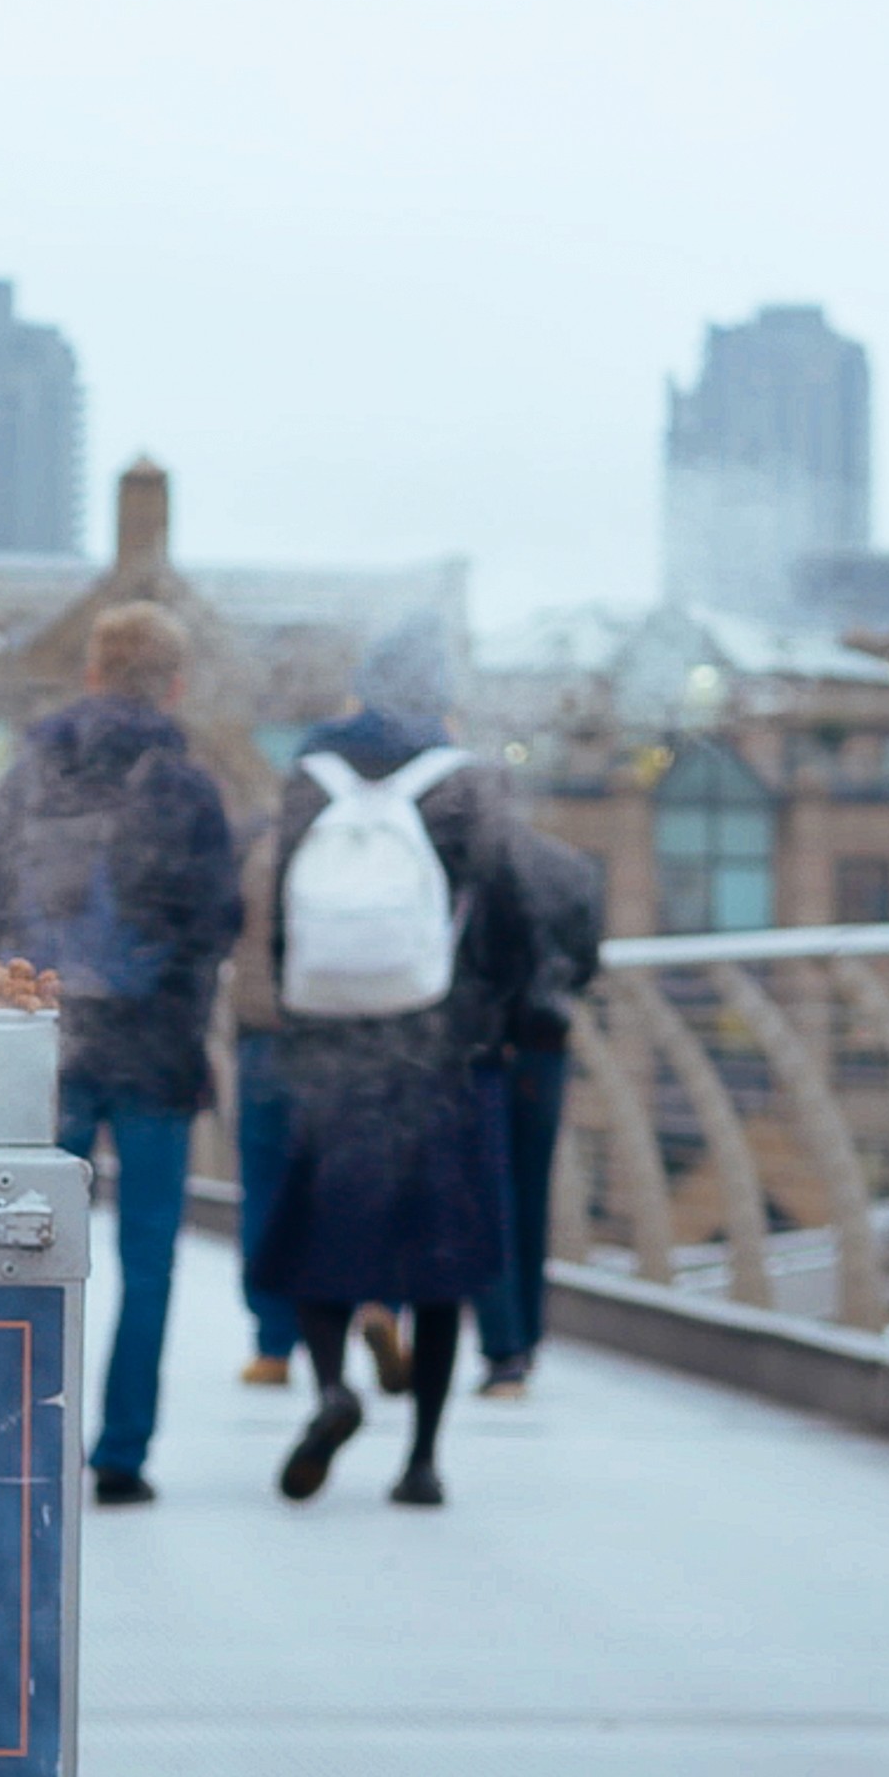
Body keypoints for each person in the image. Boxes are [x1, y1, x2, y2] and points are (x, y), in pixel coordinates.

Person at [242, 618, 526, 1508]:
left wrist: (297, 1013)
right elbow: (507, 916)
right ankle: (423, 1460)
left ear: (363, 689)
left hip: (329, 1045)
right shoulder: (465, 782)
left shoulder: (310, 777)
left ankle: (332, 1389)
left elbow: (280, 912)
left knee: (328, 1234)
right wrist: (490, 1024)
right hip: (433, 1049)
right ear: (438, 694)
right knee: (436, 1258)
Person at [0, 605, 241, 1506]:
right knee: (150, 1255)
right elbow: (216, 922)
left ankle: (29, 1438)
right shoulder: (187, 786)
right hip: (156, 1051)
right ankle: (122, 1452)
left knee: (28, 1244)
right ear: (174, 684)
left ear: (90, 673)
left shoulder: (32, 770)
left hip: (51, 1043)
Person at [477, 820, 604, 1396]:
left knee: (489, 1196)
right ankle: (527, 1339)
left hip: (483, 1050)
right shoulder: (571, 865)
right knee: (533, 1194)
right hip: (545, 1046)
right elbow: (585, 964)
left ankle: (503, 1350)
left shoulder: (475, 863)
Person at [223, 829, 301, 1386]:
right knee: (358, 1185)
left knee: (267, 1192)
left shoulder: (265, 848)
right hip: (353, 1044)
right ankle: (378, 1306)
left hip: (265, 1035)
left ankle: (273, 1342)